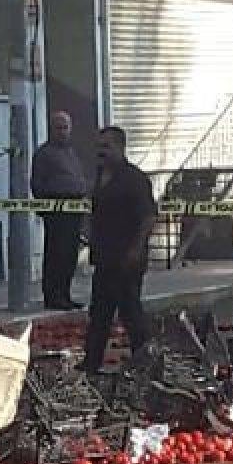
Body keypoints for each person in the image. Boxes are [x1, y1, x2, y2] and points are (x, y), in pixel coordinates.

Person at [79, 126, 157, 374]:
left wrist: (136, 248)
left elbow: (148, 217)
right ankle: (91, 363)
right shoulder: (101, 176)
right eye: (99, 147)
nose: (101, 152)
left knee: (130, 312)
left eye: (107, 147)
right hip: (104, 256)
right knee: (99, 312)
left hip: (127, 258)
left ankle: (145, 363)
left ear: (121, 148)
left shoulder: (134, 179)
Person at [31, 110, 89, 311]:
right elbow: (37, 184)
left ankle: (65, 294)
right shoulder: (44, 154)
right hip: (57, 212)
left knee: (70, 255)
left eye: (65, 128)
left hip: (74, 210)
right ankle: (53, 296)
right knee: (56, 254)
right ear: (51, 130)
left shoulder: (71, 153)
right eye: (58, 128)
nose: (62, 132)